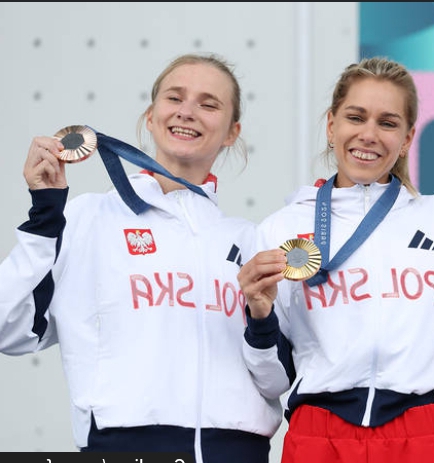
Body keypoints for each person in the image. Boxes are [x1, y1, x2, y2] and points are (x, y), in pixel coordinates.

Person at [0, 53, 282, 463]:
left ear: (231, 132)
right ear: (150, 116)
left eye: (208, 103)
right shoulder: (89, 218)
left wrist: (261, 319)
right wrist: (45, 214)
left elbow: (274, 381)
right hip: (124, 447)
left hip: (237, 452)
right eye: (174, 98)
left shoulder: (249, 240)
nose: (187, 112)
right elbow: (7, 328)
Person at [236, 56, 434, 463]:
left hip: (421, 433)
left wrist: (428, 418)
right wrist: (260, 316)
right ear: (332, 124)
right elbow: (271, 380)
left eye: (388, 123)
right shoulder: (280, 230)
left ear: (407, 139)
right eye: (356, 117)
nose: (369, 134)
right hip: (317, 436)